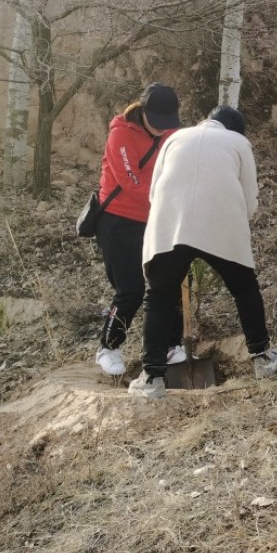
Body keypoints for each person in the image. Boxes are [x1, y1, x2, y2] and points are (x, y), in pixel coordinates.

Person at [130, 105, 277, 399]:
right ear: (235, 130)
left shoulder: (174, 139)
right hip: (220, 222)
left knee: (159, 296)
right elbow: (250, 201)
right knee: (244, 288)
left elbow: (154, 193)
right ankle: (262, 358)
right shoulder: (239, 143)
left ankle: (151, 378)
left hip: (170, 224)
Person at [92, 83, 186, 377]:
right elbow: (130, 181)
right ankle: (108, 347)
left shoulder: (171, 133)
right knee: (131, 290)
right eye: (156, 121)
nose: (161, 129)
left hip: (155, 219)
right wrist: (168, 197)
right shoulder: (120, 133)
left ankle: (171, 345)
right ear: (143, 111)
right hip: (118, 221)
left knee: (167, 283)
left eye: (167, 122)